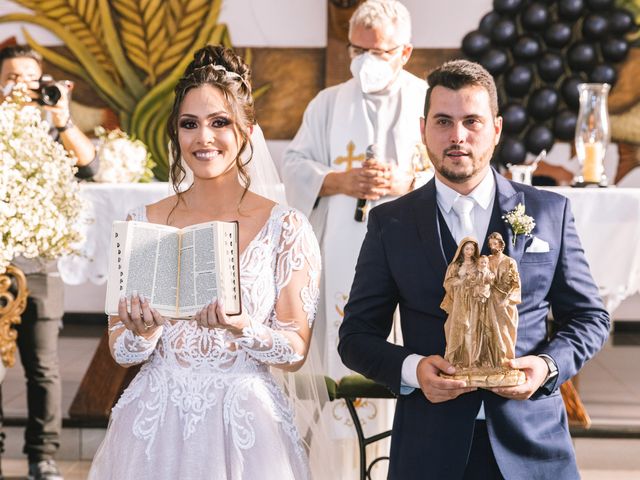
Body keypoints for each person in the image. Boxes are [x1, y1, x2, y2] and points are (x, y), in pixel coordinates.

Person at [338, 59, 610, 479]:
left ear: (496, 129)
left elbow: (590, 317)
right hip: (429, 450)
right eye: (443, 121)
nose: (457, 136)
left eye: (472, 122)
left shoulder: (548, 211)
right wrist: (414, 370)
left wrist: (544, 367)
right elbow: (355, 336)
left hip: (533, 446)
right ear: (423, 128)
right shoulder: (390, 222)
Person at [88, 45, 326, 480]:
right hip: (153, 423)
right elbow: (122, 350)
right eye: (189, 124)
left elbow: (294, 352)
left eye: (220, 123)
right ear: (175, 132)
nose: (204, 139)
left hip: (244, 424)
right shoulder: (145, 223)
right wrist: (146, 331)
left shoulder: (285, 228)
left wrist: (242, 326)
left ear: (247, 129)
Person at [278, 2, 429, 444]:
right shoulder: (328, 103)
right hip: (343, 242)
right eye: (356, 49)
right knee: (347, 335)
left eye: (378, 52)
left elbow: (458, 170)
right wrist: (337, 179)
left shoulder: (428, 98)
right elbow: (293, 165)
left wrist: (409, 181)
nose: (365, 61)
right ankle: (343, 448)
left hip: (410, 243)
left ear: (405, 52)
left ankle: (403, 445)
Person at [0, 44, 100, 480]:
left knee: (43, 367)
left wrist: (63, 118)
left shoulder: (51, 129)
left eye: (28, 77)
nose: (20, 85)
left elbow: (90, 167)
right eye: (11, 77)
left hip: (39, 267)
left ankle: (43, 457)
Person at [440, 237, 479, 367]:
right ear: (462, 249)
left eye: (472, 249)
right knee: (454, 327)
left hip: (474, 303)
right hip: (459, 302)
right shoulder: (455, 266)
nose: (469, 251)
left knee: (472, 330)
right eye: (467, 248)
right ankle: (456, 358)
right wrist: (461, 282)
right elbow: (448, 282)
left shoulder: (478, 264)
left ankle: (471, 360)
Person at [487, 232, 521, 364]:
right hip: (490, 300)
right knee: (490, 330)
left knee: (505, 330)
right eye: (490, 244)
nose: (492, 247)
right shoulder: (488, 260)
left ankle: (506, 360)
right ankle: (492, 359)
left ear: (501, 245)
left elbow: (516, 284)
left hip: (506, 302)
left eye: (495, 244)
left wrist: (507, 300)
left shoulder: (509, 261)